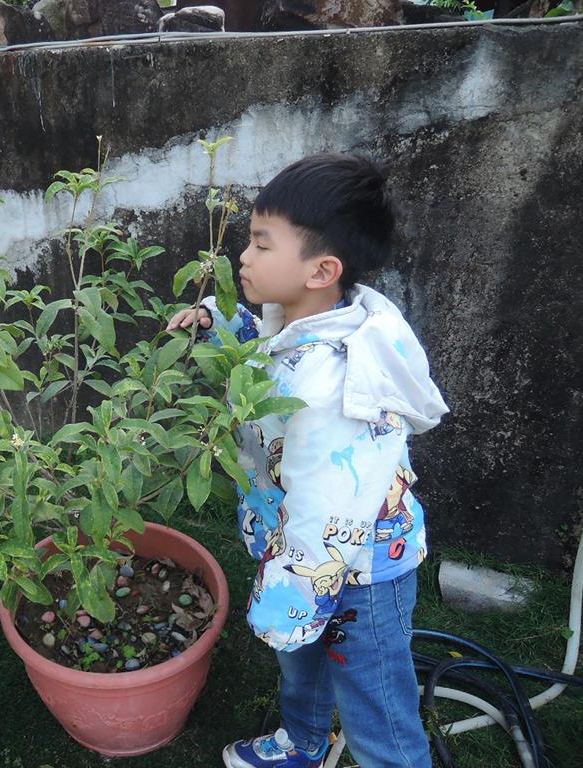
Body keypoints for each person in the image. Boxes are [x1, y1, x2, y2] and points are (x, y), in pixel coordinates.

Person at [167, 153, 448, 768]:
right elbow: (269, 343)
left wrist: (290, 600)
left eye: (262, 243)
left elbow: (329, 509)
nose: (243, 257)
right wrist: (218, 323)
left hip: (357, 570)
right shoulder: (303, 316)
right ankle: (304, 743)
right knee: (302, 668)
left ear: (322, 270)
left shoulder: (338, 389)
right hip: (296, 548)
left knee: (374, 700)